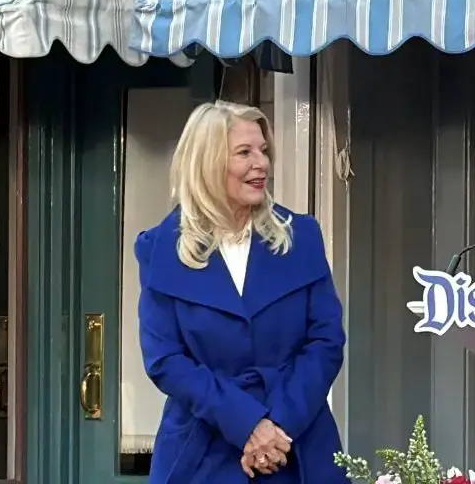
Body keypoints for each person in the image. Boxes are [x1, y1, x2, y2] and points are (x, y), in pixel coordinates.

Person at [135, 100, 349, 484]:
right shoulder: (161, 249)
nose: (261, 163)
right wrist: (246, 423)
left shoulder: (301, 237)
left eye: (263, 151)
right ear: (208, 162)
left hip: (296, 445)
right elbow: (165, 359)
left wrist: (278, 426)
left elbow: (326, 340)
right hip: (204, 450)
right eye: (244, 152)